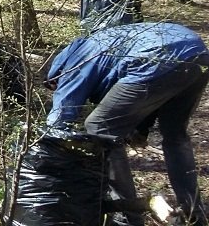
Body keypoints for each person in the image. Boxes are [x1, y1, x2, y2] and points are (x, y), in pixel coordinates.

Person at [45, 22, 209, 226]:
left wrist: (46, 153)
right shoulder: (96, 45)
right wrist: (140, 129)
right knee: (176, 136)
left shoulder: (71, 67)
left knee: (98, 127)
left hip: (155, 59)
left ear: (55, 77)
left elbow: (60, 118)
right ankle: (193, 212)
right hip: (196, 51)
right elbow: (148, 96)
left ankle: (128, 217)